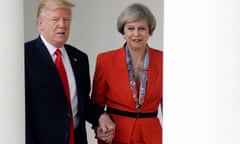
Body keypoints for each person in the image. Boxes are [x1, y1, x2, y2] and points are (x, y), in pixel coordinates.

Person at [24, 0, 115, 144]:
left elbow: (83, 102)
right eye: (55, 19)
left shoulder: (79, 58)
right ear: (40, 24)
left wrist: (101, 116)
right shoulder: (24, 56)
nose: (62, 24)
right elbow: (22, 111)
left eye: (66, 19)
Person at [91, 3, 163, 144]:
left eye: (142, 28)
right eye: (130, 28)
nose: (136, 34)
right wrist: (99, 129)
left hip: (152, 137)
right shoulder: (105, 60)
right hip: (115, 136)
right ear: (123, 31)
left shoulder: (164, 60)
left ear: (149, 31)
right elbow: (96, 105)